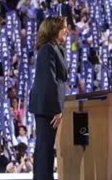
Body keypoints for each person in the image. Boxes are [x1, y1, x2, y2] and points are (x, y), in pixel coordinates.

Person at [28, 16, 69, 180]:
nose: (66, 30)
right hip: (47, 108)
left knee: (45, 148)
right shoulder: (48, 49)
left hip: (48, 106)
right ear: (53, 29)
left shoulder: (55, 48)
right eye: (63, 27)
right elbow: (50, 81)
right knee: (44, 149)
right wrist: (57, 109)